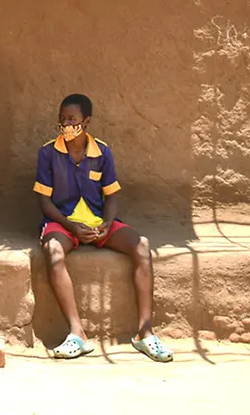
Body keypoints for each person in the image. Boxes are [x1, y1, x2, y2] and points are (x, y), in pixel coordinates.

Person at [34, 94, 173, 362]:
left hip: (98, 223)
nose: (66, 123)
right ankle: (77, 335)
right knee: (53, 251)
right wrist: (71, 226)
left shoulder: (102, 152)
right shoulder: (48, 152)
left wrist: (108, 223)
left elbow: (111, 196)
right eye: (62, 118)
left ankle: (145, 334)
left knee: (141, 245)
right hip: (64, 222)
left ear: (86, 122)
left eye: (72, 119)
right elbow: (44, 201)